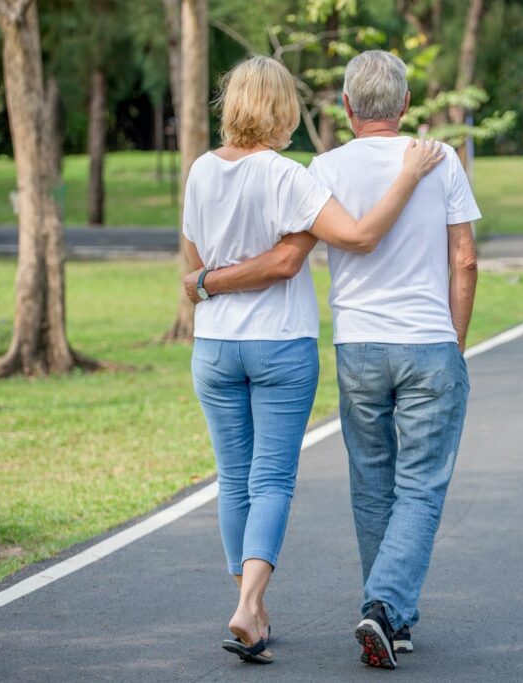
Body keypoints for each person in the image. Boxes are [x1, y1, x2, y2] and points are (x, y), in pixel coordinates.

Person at [189, 50, 480, 670]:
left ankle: (364, 612)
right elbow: (457, 257)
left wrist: (206, 284)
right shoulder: (426, 159)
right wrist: (455, 339)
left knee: (360, 484)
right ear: (404, 105)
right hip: (398, 341)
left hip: (330, 345)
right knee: (416, 487)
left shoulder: (310, 168)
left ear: (347, 109)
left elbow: (213, 255)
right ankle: (381, 607)